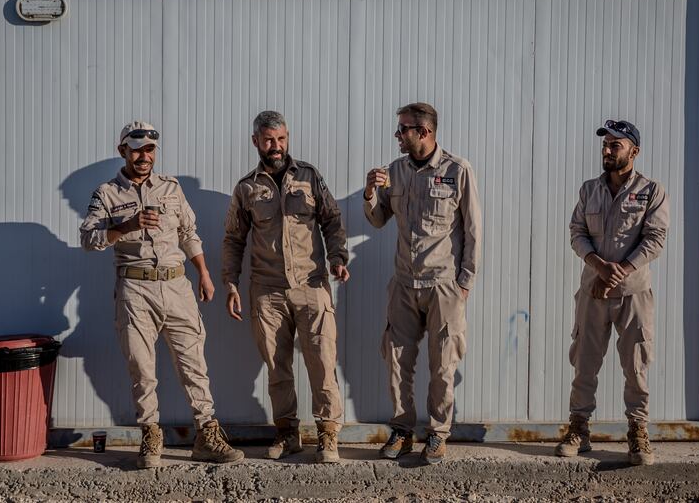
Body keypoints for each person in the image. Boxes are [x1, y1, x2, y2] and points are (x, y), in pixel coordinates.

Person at [80, 120, 243, 468]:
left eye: (150, 149)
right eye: (137, 148)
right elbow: (88, 240)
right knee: (142, 366)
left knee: (194, 363)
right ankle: (150, 435)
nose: (144, 155)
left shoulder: (171, 188)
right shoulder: (106, 193)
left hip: (177, 285)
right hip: (135, 289)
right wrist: (126, 225)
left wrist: (203, 273)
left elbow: (188, 231)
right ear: (123, 150)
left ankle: (207, 435)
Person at [222, 110, 349, 463]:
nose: (275, 147)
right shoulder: (247, 188)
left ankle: (328, 436)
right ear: (256, 142)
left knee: (322, 362)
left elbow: (332, 220)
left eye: (280, 139)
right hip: (267, 290)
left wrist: (338, 256)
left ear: (287, 138)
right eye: (268, 140)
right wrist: (230, 283)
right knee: (277, 367)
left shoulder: (309, 176)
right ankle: (287, 433)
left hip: (311, 284)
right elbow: (234, 239)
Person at [363, 102, 481, 465]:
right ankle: (402, 431)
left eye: (403, 130)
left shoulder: (457, 170)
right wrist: (370, 192)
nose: (398, 136)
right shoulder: (395, 171)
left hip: (443, 284)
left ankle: (438, 433)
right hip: (403, 284)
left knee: (443, 364)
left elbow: (474, 231)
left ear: (424, 132)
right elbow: (378, 219)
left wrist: (464, 283)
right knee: (397, 360)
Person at [555, 119, 669, 466]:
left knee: (636, 365)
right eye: (605, 145)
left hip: (633, 294)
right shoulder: (589, 190)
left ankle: (637, 433)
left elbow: (656, 238)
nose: (606, 151)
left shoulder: (651, 191)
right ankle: (579, 428)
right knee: (585, 362)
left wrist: (622, 269)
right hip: (593, 291)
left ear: (633, 151)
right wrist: (597, 264)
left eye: (614, 145)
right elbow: (577, 231)